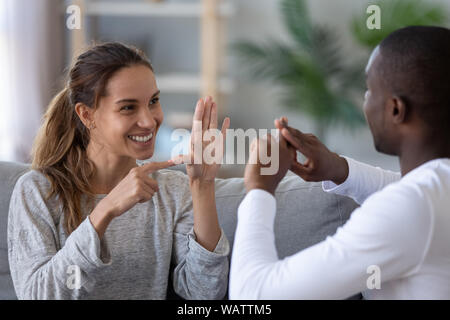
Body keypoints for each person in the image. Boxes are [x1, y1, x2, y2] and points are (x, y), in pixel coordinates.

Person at [229, 26, 450, 299]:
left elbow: (252, 295)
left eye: (369, 91)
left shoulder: (412, 208)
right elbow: (410, 189)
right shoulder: (435, 190)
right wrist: (338, 169)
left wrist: (259, 188)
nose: (365, 101)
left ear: (396, 109)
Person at [7, 42, 230, 299]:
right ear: (86, 115)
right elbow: (38, 295)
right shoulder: (38, 191)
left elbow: (204, 294)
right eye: (128, 107)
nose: (149, 121)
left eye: (153, 101)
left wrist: (203, 188)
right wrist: (105, 211)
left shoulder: (172, 190)